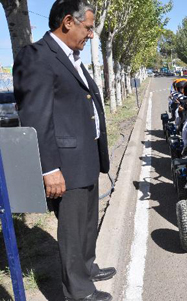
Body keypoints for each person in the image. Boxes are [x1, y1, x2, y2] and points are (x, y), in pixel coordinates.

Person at [13, 1, 114, 300]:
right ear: (68, 22)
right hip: (64, 163)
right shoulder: (37, 56)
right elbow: (35, 117)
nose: (92, 35)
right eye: (88, 27)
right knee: (71, 230)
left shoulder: (73, 57)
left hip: (86, 155)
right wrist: (49, 168)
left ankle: (87, 267)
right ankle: (78, 292)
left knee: (86, 221)